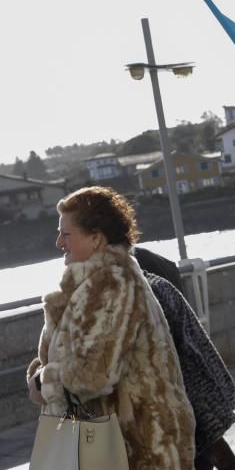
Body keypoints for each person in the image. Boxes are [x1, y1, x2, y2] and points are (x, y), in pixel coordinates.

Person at [26, 186, 195, 468]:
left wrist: (43, 383)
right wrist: (41, 376)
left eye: (66, 234)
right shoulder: (91, 283)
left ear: (95, 239)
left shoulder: (110, 283)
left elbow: (95, 374)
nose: (59, 242)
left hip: (138, 446)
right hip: (115, 444)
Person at [142, 271, 235, 470]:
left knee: (212, 453)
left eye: (67, 236)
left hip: (183, 402)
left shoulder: (146, 291)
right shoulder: (154, 279)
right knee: (213, 453)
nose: (61, 244)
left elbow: (178, 355)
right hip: (187, 400)